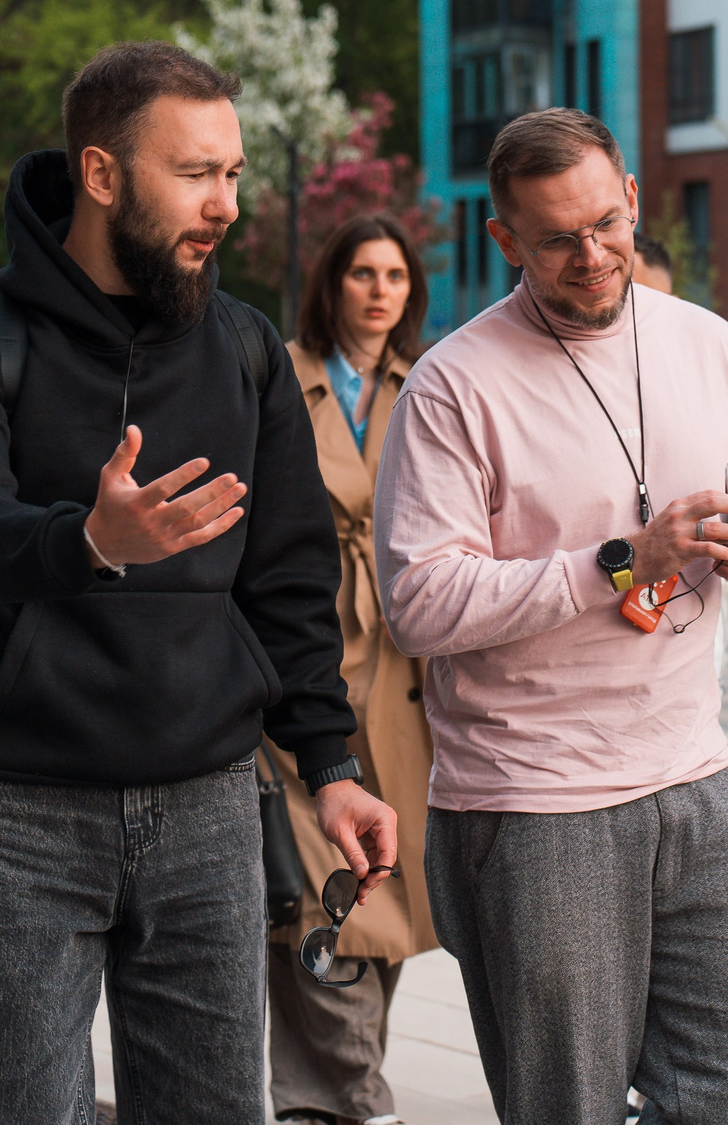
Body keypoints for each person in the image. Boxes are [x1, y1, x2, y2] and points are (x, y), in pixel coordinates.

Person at [0, 42, 399, 1124]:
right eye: (194, 174)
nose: (223, 204)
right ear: (102, 174)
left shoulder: (249, 349)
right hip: (23, 820)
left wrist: (333, 763)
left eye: (233, 172)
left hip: (212, 813)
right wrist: (90, 540)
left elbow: (288, 578)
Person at [374, 107, 728, 1125]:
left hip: (696, 772)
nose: (591, 257)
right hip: (531, 800)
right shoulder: (453, 385)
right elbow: (420, 604)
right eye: (556, 240)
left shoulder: (709, 345)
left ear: (630, 199)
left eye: (604, 226)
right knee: (564, 1103)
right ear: (504, 242)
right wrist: (623, 560)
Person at [262, 214, 442, 1125]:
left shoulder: (428, 385)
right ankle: (352, 1101)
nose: (380, 290)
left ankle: (316, 1102)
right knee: (319, 895)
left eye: (396, 275)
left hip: (404, 669)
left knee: (389, 897)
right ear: (331, 283)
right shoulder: (277, 376)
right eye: (362, 273)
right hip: (307, 656)